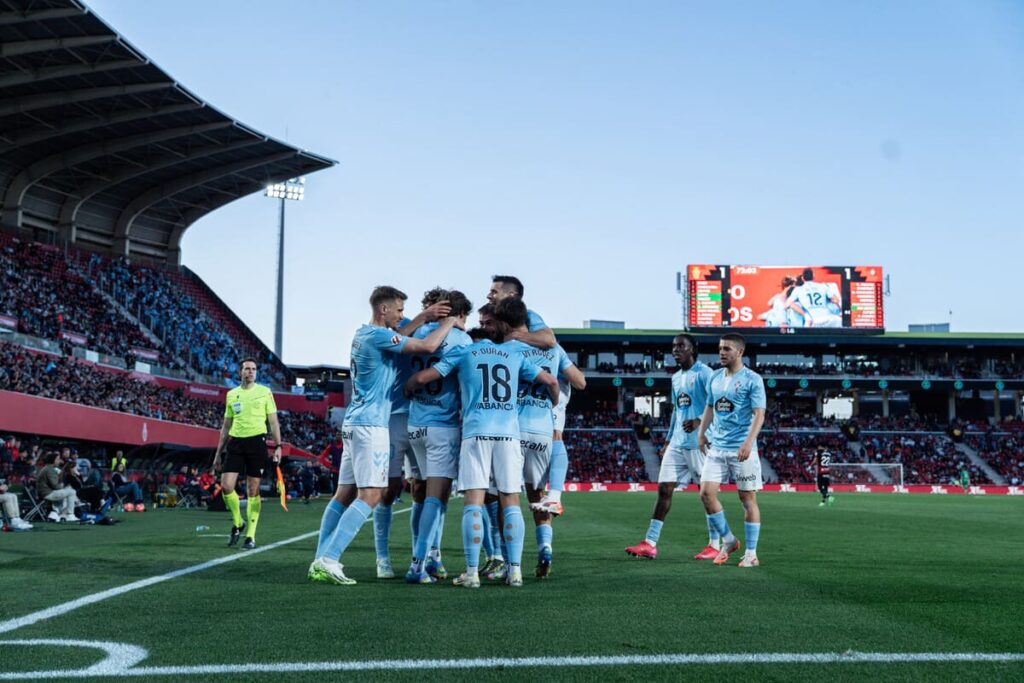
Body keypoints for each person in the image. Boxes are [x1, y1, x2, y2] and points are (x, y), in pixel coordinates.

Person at [308, 286, 456, 586]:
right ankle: (330, 558)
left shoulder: (364, 334)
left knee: (343, 494)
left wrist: (420, 318)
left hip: (353, 422)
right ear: (383, 310)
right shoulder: (377, 336)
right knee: (372, 495)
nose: (404, 317)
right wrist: (449, 322)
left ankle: (319, 559)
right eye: (400, 310)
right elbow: (426, 347)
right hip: (372, 426)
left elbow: (404, 335)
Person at [406, 302, 559, 588]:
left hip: (476, 434)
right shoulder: (511, 355)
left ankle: (472, 573)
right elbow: (550, 380)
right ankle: (515, 572)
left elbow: (425, 377)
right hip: (509, 436)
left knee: (473, 504)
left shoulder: (464, 352)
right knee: (511, 501)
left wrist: (410, 385)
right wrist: (554, 400)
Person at [374, 288, 452, 579]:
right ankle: (383, 558)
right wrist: (422, 320)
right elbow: (392, 344)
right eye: (433, 306)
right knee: (389, 489)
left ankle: (430, 554)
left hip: (425, 418)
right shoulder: (402, 327)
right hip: (394, 416)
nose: (437, 311)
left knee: (427, 489)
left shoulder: (448, 333)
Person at [625, 334, 718, 560]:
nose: (675, 350)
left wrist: (698, 422)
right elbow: (677, 411)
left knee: (706, 494)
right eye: (674, 347)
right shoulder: (676, 377)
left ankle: (715, 544)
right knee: (664, 489)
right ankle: (650, 542)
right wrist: (667, 441)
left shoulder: (706, 374)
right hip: (677, 443)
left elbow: (718, 405)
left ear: (693, 348)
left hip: (698, 444)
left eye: (681, 346)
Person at [404, 290, 474, 584]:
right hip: (442, 426)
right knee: (437, 495)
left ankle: (432, 557)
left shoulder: (419, 331)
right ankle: (418, 565)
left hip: (414, 424)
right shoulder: (462, 341)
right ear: (458, 315)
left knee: (422, 494)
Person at [697, 333, 766, 568]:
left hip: (741, 449)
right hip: (717, 446)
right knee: (706, 494)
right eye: (720, 348)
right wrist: (701, 433)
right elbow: (709, 407)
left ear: (740, 352)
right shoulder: (715, 377)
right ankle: (728, 540)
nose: (721, 352)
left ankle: (751, 553)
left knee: (747, 499)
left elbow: (759, 413)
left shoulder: (752, 380)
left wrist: (748, 443)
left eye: (727, 349)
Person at [212, 358, 283, 550]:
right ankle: (238, 522)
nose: (250, 372)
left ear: (256, 373)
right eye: (247, 369)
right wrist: (218, 453)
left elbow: (274, 422)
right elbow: (226, 426)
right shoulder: (232, 395)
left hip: (257, 443)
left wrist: (278, 446)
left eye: (253, 369)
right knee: (226, 486)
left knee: (253, 490)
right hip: (235, 443)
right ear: (240, 372)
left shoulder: (265, 392)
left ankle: (250, 535)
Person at [530, 343, 585, 518]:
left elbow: (580, 382)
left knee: (555, 436)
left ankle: (554, 496)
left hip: (548, 399)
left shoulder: (553, 348)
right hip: (530, 402)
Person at [486, 275, 556, 349]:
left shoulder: (528, 315)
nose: (488, 296)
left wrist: (514, 336)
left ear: (511, 296)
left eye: (494, 292)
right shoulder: (486, 315)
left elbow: (549, 340)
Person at [36, 451, 79, 522]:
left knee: (67, 491)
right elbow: (55, 486)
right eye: (57, 459)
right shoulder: (49, 470)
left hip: (46, 492)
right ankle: (70, 514)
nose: (59, 461)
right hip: (47, 494)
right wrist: (63, 486)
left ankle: (55, 514)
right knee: (72, 492)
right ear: (53, 460)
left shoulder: (48, 468)